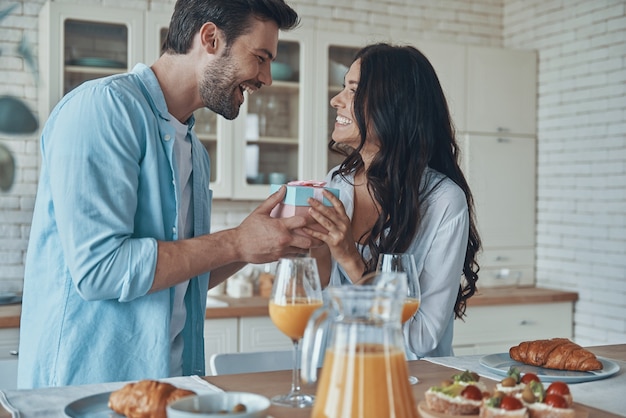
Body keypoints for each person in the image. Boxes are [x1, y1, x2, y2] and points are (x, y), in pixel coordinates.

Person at [18, 0, 306, 388]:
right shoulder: (106, 108)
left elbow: (183, 277)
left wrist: (259, 241)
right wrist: (236, 241)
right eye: (260, 57)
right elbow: (100, 269)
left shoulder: (195, 151)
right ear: (210, 38)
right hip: (86, 392)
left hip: (172, 387)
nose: (267, 77)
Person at [305, 43, 481, 358]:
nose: (336, 100)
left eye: (353, 91)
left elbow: (421, 337)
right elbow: (326, 307)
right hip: (344, 372)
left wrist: (350, 259)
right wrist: (315, 250)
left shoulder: (443, 202)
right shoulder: (337, 183)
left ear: (394, 107)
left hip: (413, 386)